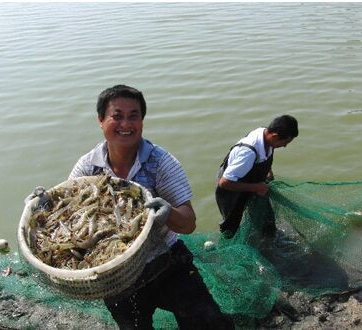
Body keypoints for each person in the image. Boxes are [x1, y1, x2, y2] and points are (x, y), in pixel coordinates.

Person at [68, 85, 234, 329]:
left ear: (142, 122)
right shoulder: (87, 168)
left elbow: (188, 223)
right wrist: (42, 205)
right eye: (117, 116)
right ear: (101, 121)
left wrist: (168, 214)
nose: (126, 124)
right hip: (116, 276)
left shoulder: (161, 162)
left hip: (167, 262)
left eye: (133, 116)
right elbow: (69, 212)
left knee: (207, 322)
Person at [216, 115, 299, 239]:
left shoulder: (267, 136)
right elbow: (225, 182)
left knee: (266, 219)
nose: (285, 146)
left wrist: (268, 171)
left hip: (252, 181)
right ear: (275, 136)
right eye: (285, 142)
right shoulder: (248, 152)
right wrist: (256, 187)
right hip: (231, 189)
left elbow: (266, 154)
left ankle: (269, 240)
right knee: (231, 228)